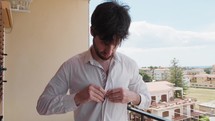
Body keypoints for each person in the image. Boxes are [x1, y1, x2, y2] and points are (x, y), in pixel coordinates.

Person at [37, 1, 151, 121]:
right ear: (92, 31)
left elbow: (147, 100)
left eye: (115, 44)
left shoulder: (129, 65)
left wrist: (132, 97)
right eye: (104, 43)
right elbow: (42, 105)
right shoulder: (71, 66)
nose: (109, 51)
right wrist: (77, 98)